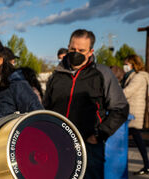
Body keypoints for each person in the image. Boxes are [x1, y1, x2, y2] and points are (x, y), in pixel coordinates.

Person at [43, 29, 129, 179]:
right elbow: (46, 108)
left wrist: (99, 134)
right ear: (68, 46)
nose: (75, 53)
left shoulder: (102, 74)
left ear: (90, 52)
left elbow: (120, 108)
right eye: (72, 49)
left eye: (81, 50)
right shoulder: (56, 75)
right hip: (57, 143)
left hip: (88, 146)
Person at [121, 55, 149, 175]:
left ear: (133, 64)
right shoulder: (133, 76)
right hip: (131, 111)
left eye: (127, 64)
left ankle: (146, 165)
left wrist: (115, 94)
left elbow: (128, 91)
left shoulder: (138, 77)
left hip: (134, 111)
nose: (125, 66)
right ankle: (146, 164)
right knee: (136, 139)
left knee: (135, 138)